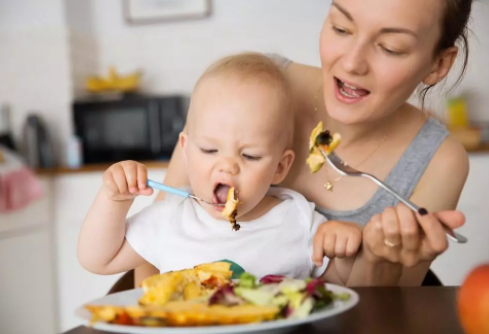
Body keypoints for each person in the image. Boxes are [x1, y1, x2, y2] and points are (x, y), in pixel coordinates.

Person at [136, 0, 472, 287]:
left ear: (438, 64)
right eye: (341, 28)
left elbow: (383, 311)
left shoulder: (438, 160)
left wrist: (378, 261)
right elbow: (153, 251)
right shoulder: (254, 87)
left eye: (390, 48)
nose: (352, 63)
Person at [77, 53, 363, 282]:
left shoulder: (299, 221)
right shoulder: (170, 218)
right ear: (186, 151)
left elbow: (339, 289)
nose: (227, 167)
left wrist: (343, 250)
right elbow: (97, 259)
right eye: (209, 150)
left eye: (249, 155)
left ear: (280, 167)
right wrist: (114, 200)